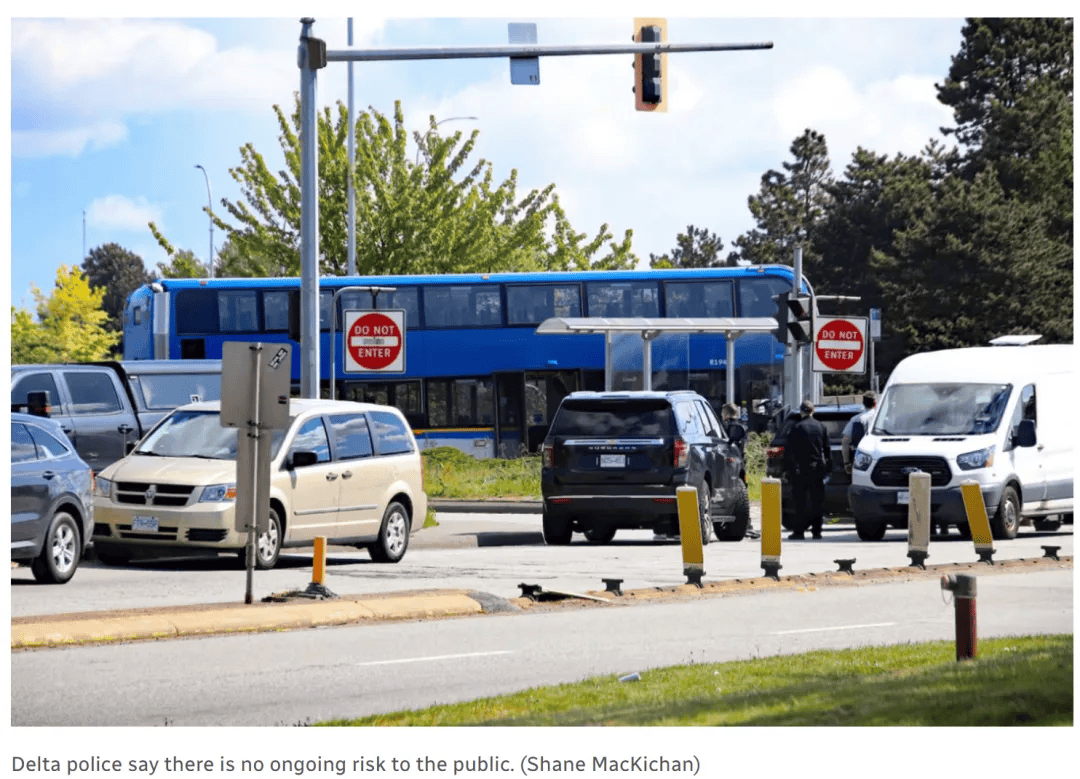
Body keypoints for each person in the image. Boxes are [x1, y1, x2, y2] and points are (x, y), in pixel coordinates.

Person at [783, 399, 831, 540]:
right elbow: (827, 450)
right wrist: (828, 468)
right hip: (817, 469)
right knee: (817, 501)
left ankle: (799, 532)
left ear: (801, 412)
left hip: (800, 470)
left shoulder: (796, 428)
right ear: (812, 411)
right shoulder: (821, 427)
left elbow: (789, 451)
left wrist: (788, 470)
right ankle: (817, 531)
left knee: (800, 502)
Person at [721, 402, 759, 540]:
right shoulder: (742, 426)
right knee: (742, 496)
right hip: (740, 463)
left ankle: (744, 524)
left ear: (726, 413)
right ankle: (746, 524)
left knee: (738, 496)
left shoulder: (727, 427)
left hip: (729, 464)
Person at [842, 391, 878, 474]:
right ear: (875, 403)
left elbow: (845, 441)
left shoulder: (856, 419)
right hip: (878, 457)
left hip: (860, 460)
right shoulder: (882, 418)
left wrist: (846, 462)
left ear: (863, 403)